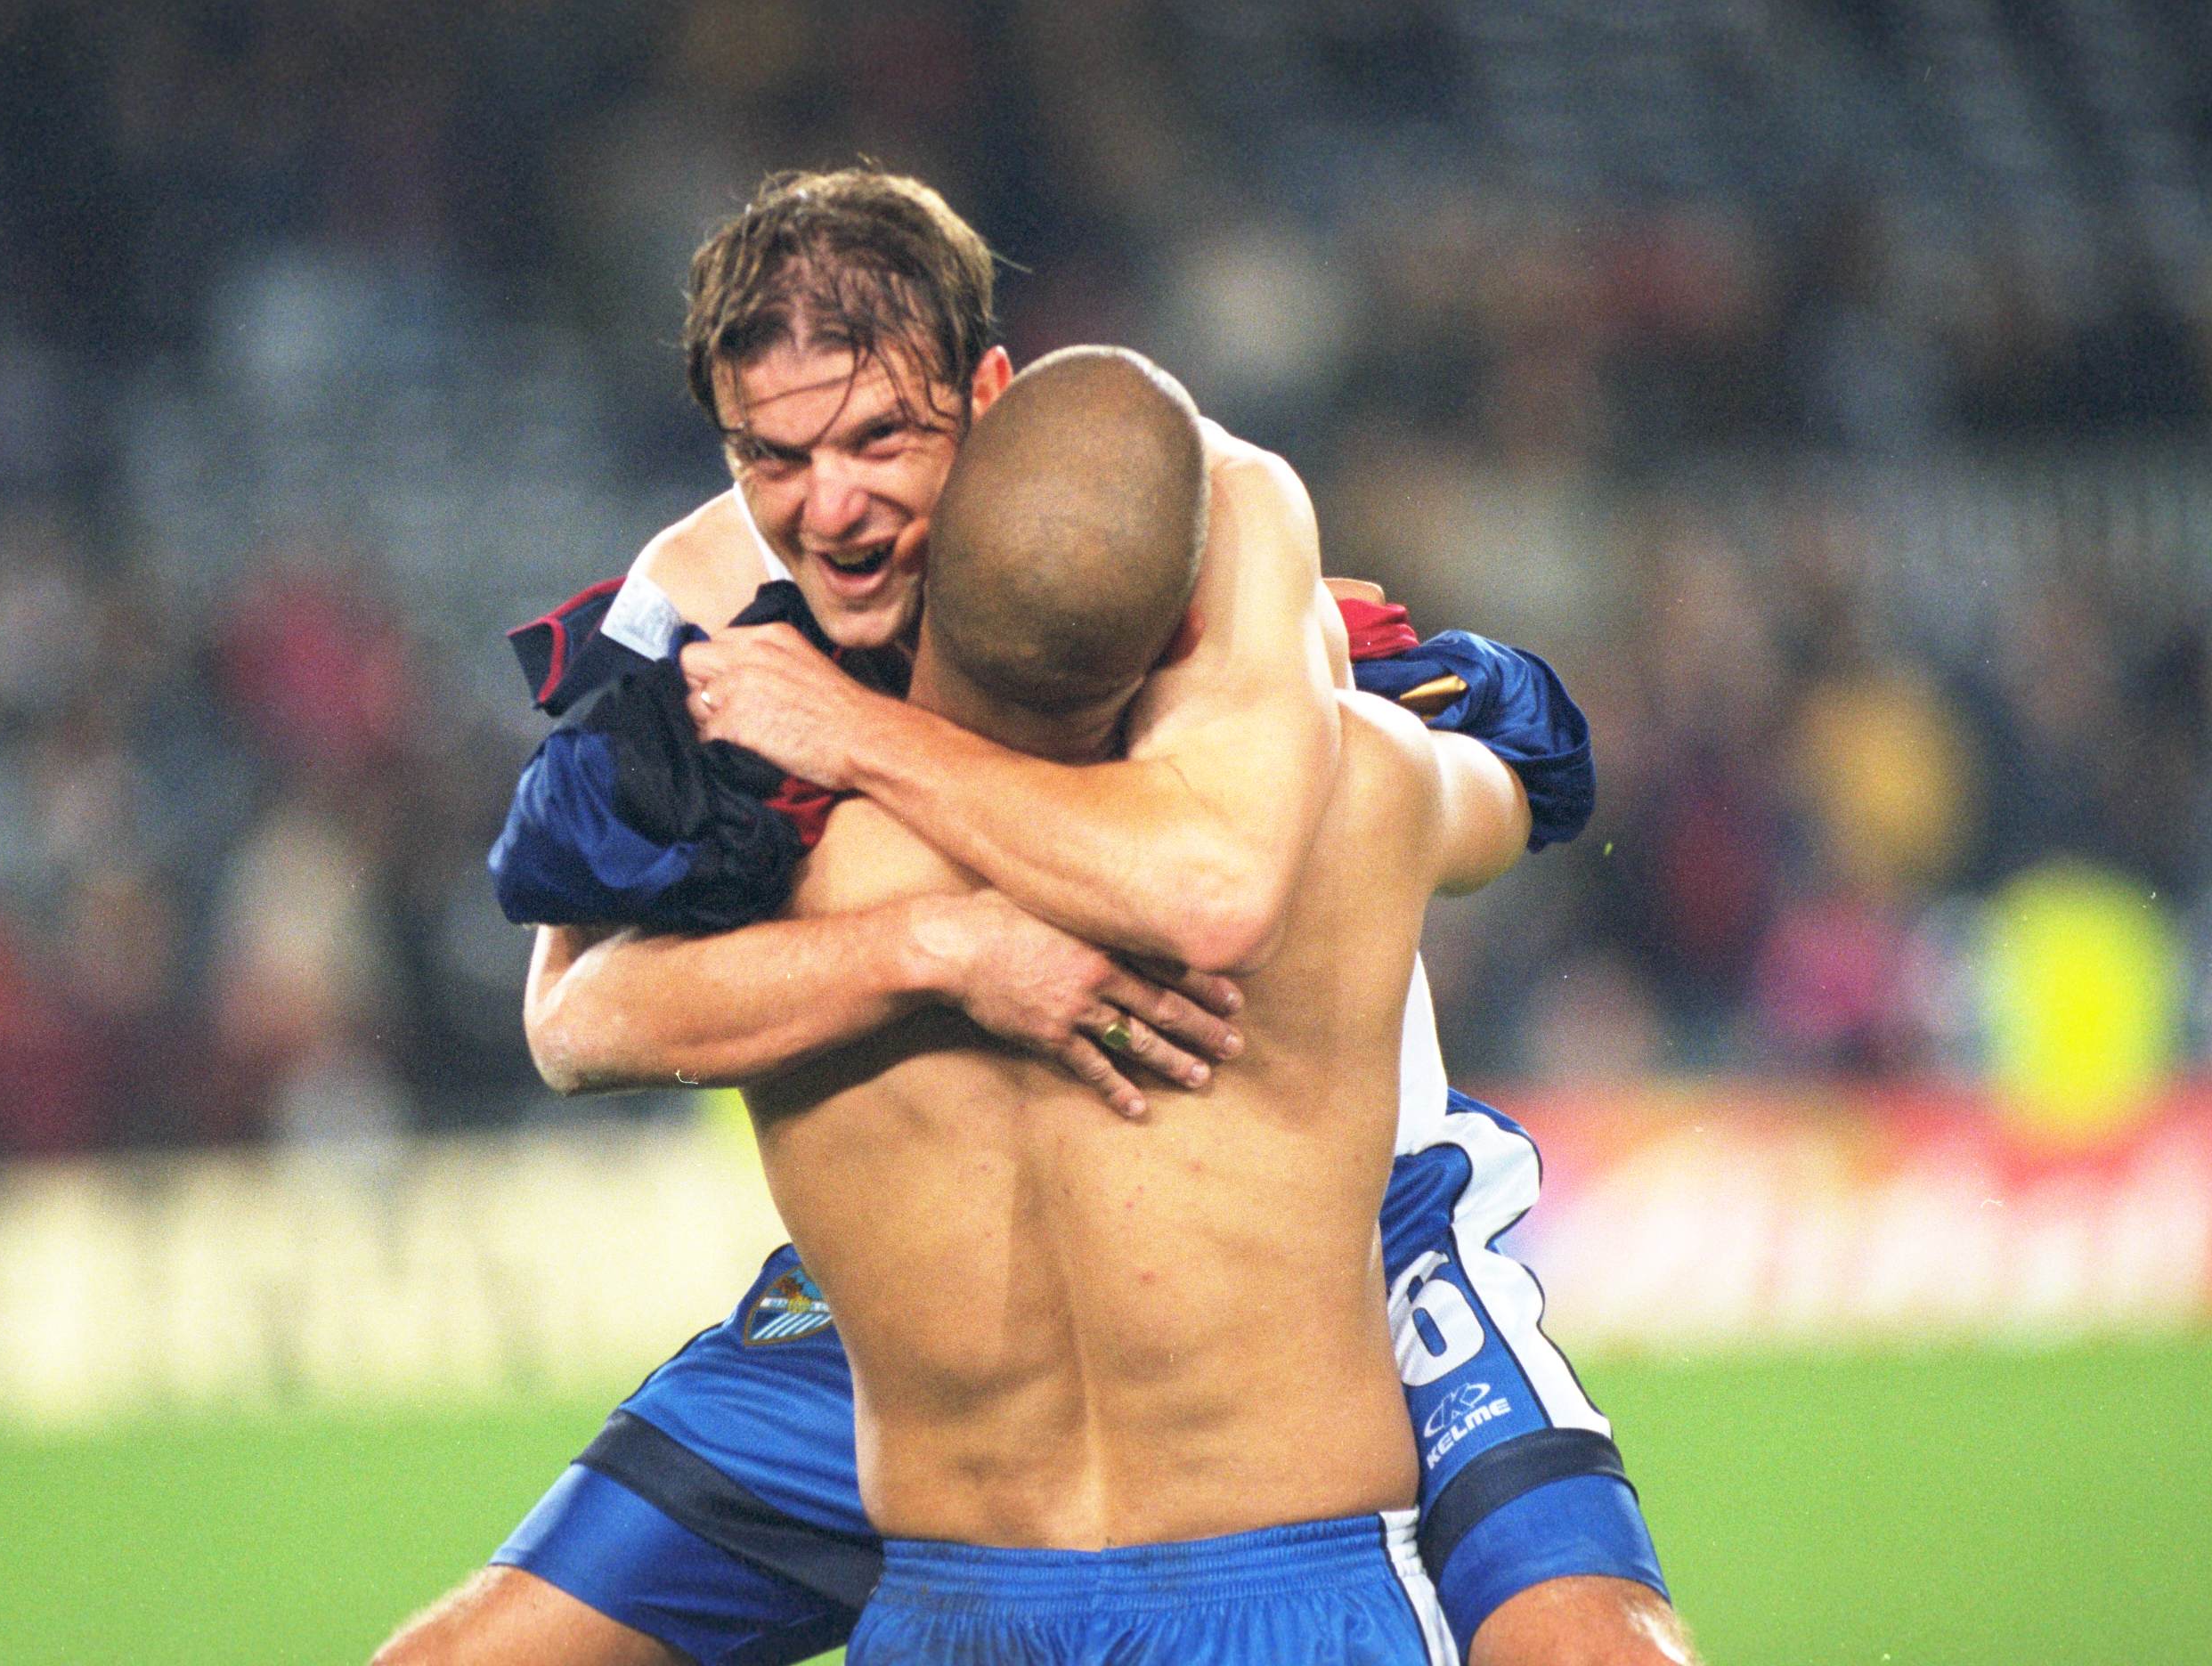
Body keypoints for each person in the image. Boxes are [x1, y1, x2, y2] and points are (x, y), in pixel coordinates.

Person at [374, 173, 1683, 1666]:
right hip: (916, 1336)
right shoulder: (704, 606)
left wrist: (859, 742)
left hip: (1338, 1244)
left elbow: (1220, 888)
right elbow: (568, 1018)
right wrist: (945, 952)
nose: (836, 508)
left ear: (990, 397)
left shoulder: (1204, 505)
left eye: (883, 438)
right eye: (773, 457)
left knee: (1590, 1649)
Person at [753, 347, 1513, 1659]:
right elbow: (1516, 799)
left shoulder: (772, 870)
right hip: (1299, 1599)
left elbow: (581, 1023)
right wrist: (1303, 662)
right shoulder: (1362, 795)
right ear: (1179, 631)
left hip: (950, 1607)